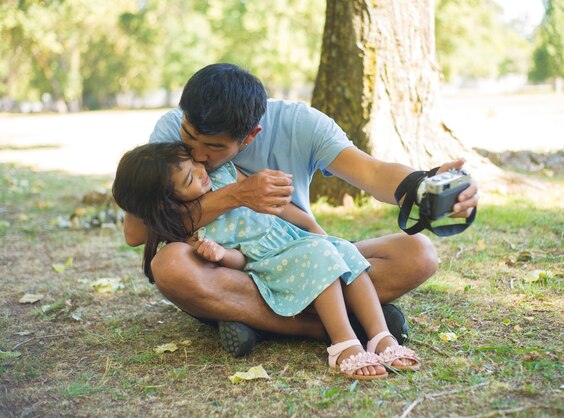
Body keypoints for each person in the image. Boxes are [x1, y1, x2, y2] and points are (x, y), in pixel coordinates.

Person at [123, 63, 479, 356]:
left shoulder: (300, 124)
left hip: (300, 258)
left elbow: (372, 171)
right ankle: (331, 328)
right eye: (189, 138)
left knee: (419, 254)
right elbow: (136, 233)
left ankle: (255, 323)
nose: (197, 156)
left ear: (249, 136)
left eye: (213, 147)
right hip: (228, 271)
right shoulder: (169, 132)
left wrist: (423, 185)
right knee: (170, 266)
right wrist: (236, 195)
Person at [113, 142, 421, 379]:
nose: (200, 168)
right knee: (319, 258)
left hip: (294, 240)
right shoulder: (193, 228)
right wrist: (221, 255)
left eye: (194, 162)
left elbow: (279, 207)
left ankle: (382, 336)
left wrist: (316, 230)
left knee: (344, 254)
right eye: (190, 177)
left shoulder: (223, 172)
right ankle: (342, 341)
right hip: (271, 262)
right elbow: (241, 260)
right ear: (167, 200)